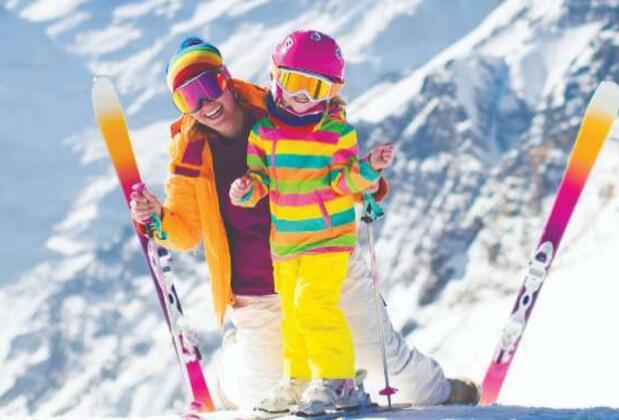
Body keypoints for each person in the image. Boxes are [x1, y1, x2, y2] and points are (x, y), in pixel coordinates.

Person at [129, 35, 479, 413]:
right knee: (263, 396)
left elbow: (334, 162)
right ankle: (234, 364)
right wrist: (156, 217)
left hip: (326, 261)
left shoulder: (282, 110)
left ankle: (446, 392)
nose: (205, 105)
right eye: (188, 99)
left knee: (384, 364)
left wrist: (366, 182)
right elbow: (184, 233)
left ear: (225, 78)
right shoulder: (190, 153)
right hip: (259, 290)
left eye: (208, 87)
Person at [228, 30, 394, 416]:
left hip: (328, 239)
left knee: (313, 303)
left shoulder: (337, 134)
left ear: (331, 92)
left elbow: (344, 180)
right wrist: (245, 190)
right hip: (286, 243)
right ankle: (297, 380)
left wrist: (370, 168)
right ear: (276, 78)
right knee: (292, 312)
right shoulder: (263, 134)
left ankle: (339, 380)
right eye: (294, 82)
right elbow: (261, 180)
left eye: (315, 88)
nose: (302, 96)